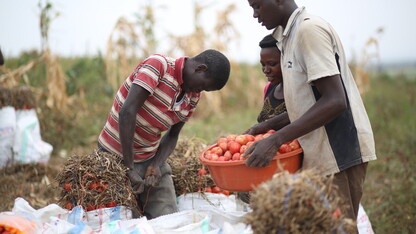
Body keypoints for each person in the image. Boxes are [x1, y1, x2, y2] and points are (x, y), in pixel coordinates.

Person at [244, 0, 377, 223]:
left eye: (258, 5)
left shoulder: (308, 30)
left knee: (338, 227)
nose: (255, 15)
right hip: (321, 154)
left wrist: (276, 140)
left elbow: (335, 101)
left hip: (338, 152)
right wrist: (267, 126)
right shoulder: (287, 38)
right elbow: (309, 104)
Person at [98, 49, 230, 219]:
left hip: (148, 159)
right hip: (115, 156)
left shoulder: (192, 97)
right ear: (200, 68)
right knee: (123, 221)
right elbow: (127, 112)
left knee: (168, 219)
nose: (200, 91)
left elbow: (172, 136)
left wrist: (156, 164)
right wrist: (129, 168)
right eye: (203, 86)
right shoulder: (159, 66)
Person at [238, 34, 288, 204]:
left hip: (287, 164)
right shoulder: (269, 88)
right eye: (263, 65)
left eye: (272, 64)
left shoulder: (298, 92)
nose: (266, 70)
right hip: (267, 161)